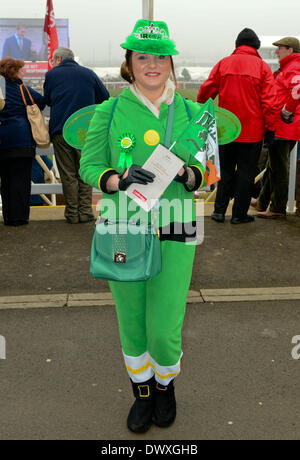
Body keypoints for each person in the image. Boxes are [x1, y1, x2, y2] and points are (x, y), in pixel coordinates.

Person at [79, 19, 207, 433]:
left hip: (178, 226)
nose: (151, 64)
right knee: (131, 318)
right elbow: (89, 165)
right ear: (129, 64)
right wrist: (115, 179)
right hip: (122, 225)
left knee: (165, 323)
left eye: (158, 57)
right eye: (141, 57)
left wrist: (192, 178)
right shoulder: (109, 109)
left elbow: (208, 170)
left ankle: (166, 387)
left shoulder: (193, 112)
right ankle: (143, 392)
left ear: (170, 63)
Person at [197, 28, 278, 224]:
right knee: (246, 173)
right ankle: (239, 214)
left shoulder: (223, 64)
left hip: (226, 131)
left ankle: (218, 211)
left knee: (224, 171)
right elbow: (270, 103)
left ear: (237, 45)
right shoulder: (262, 67)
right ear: (256, 46)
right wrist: (271, 128)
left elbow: (204, 94)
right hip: (252, 132)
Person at [43, 47, 110, 224]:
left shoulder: (51, 75)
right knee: (84, 172)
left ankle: (72, 214)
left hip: (60, 130)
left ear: (58, 59)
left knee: (68, 174)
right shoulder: (89, 73)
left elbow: (48, 100)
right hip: (84, 133)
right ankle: (86, 212)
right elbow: (105, 97)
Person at [251, 37, 300, 218]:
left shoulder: (294, 68)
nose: (276, 52)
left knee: (279, 168)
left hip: (285, 126)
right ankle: (263, 201)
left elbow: (297, 92)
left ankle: (278, 208)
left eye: (280, 48)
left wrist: (286, 112)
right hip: (283, 125)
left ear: (290, 50)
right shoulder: (289, 67)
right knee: (273, 165)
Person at [0, 57, 45, 226]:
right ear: (14, 71)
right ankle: (20, 217)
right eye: (21, 69)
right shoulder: (23, 90)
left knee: (6, 180)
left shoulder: (0, 90)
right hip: (22, 139)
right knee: (22, 180)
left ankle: (9, 217)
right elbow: (41, 102)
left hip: (3, 139)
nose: (23, 72)